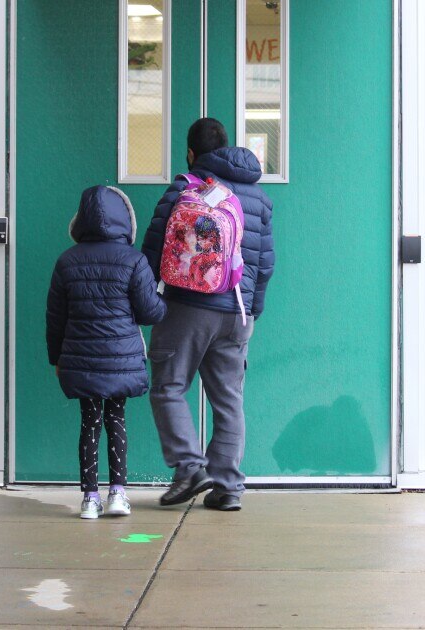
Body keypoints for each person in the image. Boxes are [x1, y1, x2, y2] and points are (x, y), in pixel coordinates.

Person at [141, 118, 275, 511]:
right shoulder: (259, 199)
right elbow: (265, 264)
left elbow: (152, 252)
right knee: (228, 399)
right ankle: (228, 486)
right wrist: (252, 310)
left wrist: (147, 303)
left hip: (186, 306)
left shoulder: (184, 188)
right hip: (236, 309)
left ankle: (189, 467)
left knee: (168, 388)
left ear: (190, 152)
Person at [47, 185, 167, 519]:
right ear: (124, 220)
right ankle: (117, 494)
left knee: (89, 421)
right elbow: (148, 313)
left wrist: (55, 357)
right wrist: (162, 295)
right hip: (121, 357)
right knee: (116, 419)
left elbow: (55, 316)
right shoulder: (134, 260)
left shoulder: (67, 261)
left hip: (80, 358)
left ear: (80, 219)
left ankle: (89, 499)